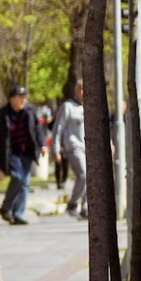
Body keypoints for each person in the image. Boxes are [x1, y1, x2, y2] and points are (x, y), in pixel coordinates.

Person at [0, 86, 36, 225]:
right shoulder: (2, 114)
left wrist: (42, 144)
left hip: (27, 152)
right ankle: (6, 207)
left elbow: (37, 128)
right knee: (18, 177)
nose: (23, 100)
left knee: (25, 184)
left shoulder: (29, 111)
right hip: (11, 153)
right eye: (20, 97)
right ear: (12, 98)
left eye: (25, 97)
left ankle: (17, 214)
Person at [55, 81, 89, 219]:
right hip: (73, 146)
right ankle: (73, 203)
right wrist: (55, 149)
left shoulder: (90, 107)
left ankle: (86, 207)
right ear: (76, 91)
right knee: (83, 174)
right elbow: (58, 128)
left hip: (88, 146)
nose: (83, 93)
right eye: (81, 89)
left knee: (90, 176)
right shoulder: (68, 106)